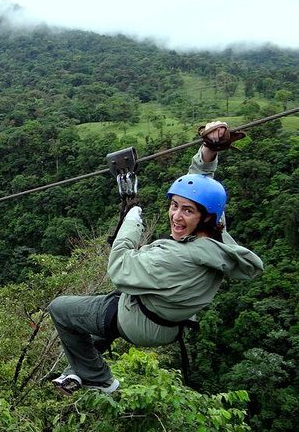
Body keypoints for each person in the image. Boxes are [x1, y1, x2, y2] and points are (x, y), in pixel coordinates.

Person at [48, 121, 264, 395]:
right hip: (167, 320)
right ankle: (75, 371)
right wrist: (209, 149)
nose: (176, 216)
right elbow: (201, 183)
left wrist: (132, 221)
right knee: (101, 307)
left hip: (141, 322)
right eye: (174, 206)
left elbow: (119, 268)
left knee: (63, 309)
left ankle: (99, 380)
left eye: (187, 211)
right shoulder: (218, 237)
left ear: (205, 217)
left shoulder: (175, 257)